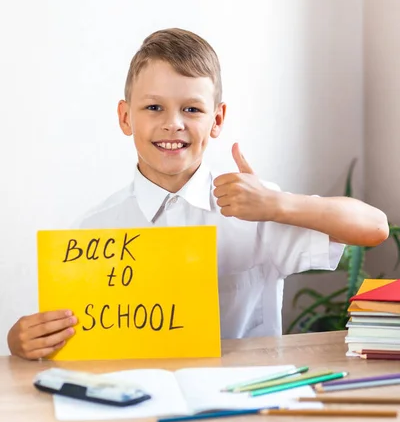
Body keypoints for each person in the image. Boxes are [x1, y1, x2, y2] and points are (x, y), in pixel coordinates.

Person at [7, 28, 389, 359]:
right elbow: (55, 336)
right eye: (153, 107)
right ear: (126, 117)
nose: (172, 124)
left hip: (243, 406)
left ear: (217, 119)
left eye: (191, 108)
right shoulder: (91, 230)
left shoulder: (258, 208)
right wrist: (20, 340)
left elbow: (374, 228)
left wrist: (278, 204)